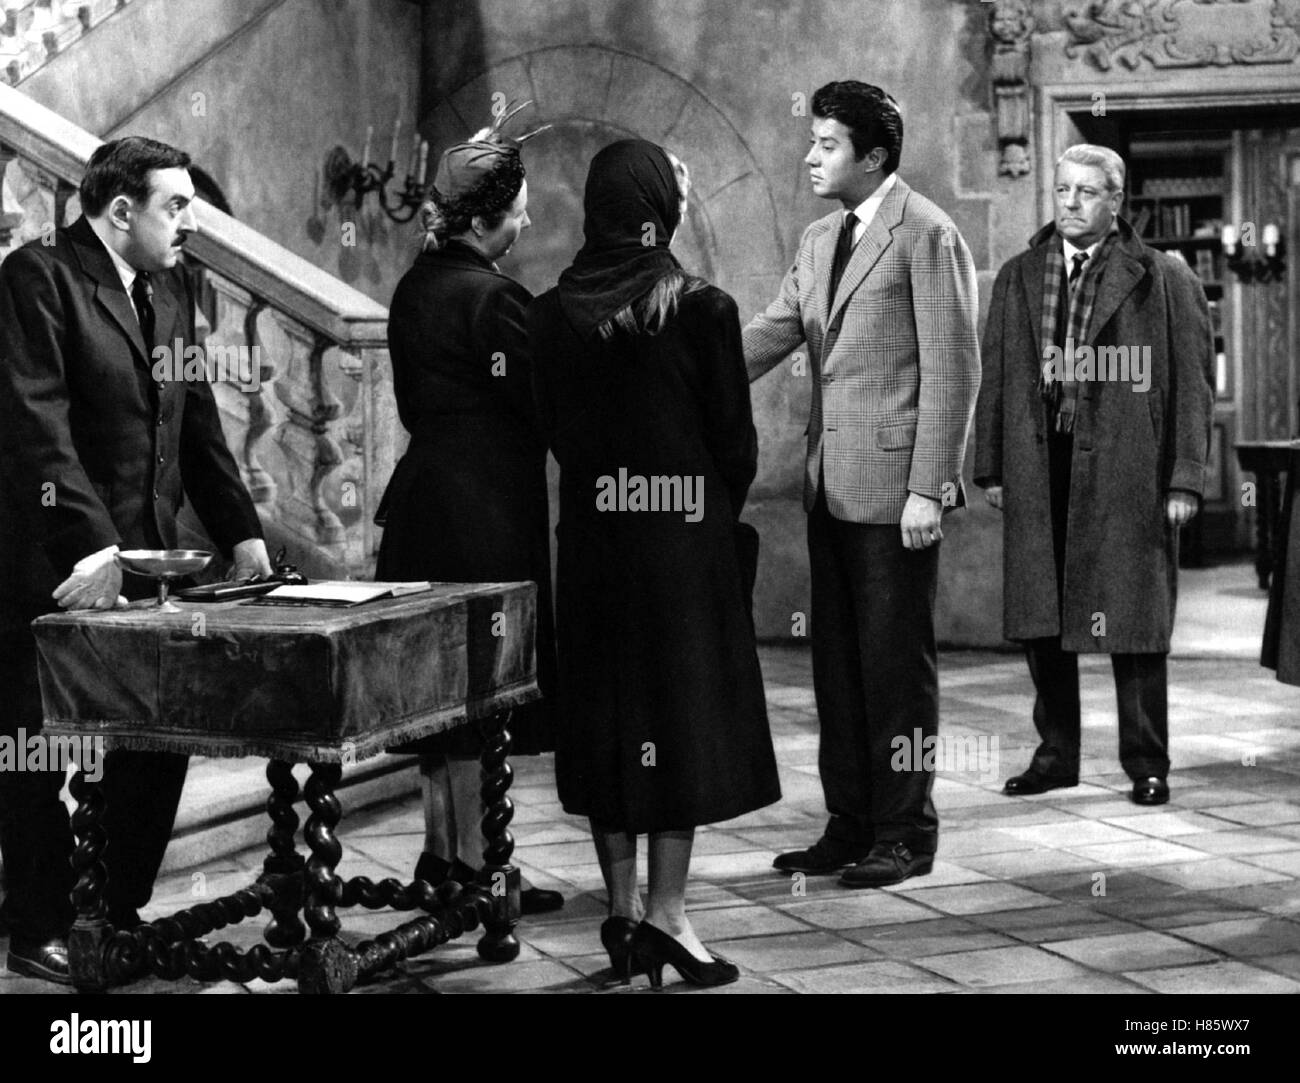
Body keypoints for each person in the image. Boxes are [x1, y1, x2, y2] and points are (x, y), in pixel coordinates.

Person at [0, 137, 271, 983]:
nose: (191, 222)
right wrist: (93, 546)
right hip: (49, 562)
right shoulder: (38, 277)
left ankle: (113, 909)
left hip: (147, 567)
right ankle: (36, 924)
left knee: (161, 732)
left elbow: (198, 424)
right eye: (176, 206)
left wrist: (244, 534)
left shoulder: (171, 288)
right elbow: (34, 424)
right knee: (31, 750)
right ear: (121, 211)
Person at [527, 139, 780, 988]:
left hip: (593, 549)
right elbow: (735, 446)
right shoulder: (705, 309)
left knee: (608, 722)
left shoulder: (547, 316)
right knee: (678, 724)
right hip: (681, 551)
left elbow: (554, 431)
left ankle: (622, 911)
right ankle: (668, 917)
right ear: (655, 210)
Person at [744, 81, 980, 888]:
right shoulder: (820, 239)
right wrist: (678, 365)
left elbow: (953, 368)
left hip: (894, 494)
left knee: (895, 670)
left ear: (873, 156)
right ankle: (848, 823)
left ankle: (906, 832)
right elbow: (771, 331)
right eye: (812, 141)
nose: (810, 157)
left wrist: (929, 488)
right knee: (839, 670)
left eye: (828, 145)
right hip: (828, 487)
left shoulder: (928, 233)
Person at [974, 143, 1213, 806]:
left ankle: (1147, 762)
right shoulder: (1021, 274)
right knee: (1042, 619)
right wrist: (992, 465)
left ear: (1116, 200)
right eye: (1063, 190)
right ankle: (1056, 756)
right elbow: (997, 375)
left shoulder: (1163, 277)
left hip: (1128, 470)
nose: (1072, 203)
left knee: (1133, 622)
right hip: (1039, 463)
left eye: (1087, 192)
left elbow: (1192, 387)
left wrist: (1185, 478)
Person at [374, 103, 562, 916]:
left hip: (423, 504)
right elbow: (541, 405)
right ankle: (486, 872)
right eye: (519, 209)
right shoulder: (496, 299)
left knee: (436, 691)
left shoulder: (414, 286)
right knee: (482, 690)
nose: (528, 220)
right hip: (483, 512)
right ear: (484, 222)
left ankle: (445, 855)